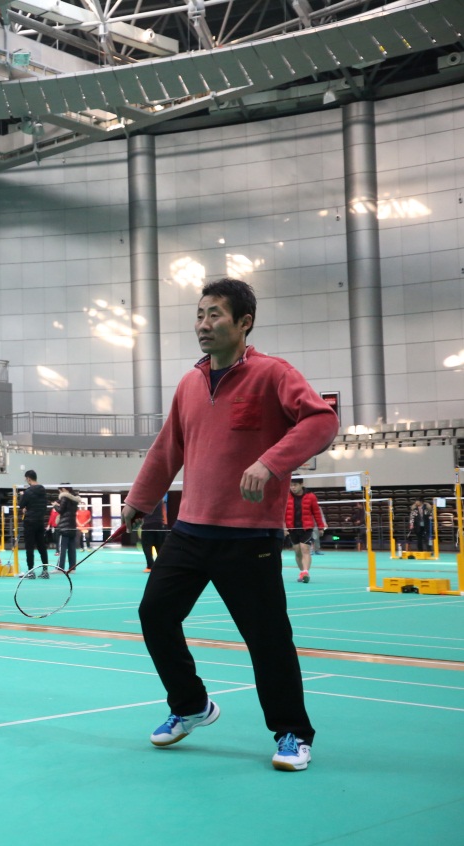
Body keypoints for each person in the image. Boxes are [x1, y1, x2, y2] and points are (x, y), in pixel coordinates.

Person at [121, 277, 337, 773]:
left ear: (244, 323)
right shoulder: (189, 384)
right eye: (199, 315)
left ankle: (292, 733)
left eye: (214, 314)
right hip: (191, 532)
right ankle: (191, 704)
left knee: (267, 639)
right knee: (155, 614)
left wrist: (271, 462)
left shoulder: (273, 374)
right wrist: (138, 501)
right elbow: (167, 449)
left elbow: (322, 421)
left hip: (249, 536)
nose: (203, 324)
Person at [285, 476, 325, 584]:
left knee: (305, 549)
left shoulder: (311, 496)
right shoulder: (286, 496)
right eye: (291, 485)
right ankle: (302, 572)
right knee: (297, 551)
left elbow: (316, 512)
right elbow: (282, 512)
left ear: (301, 484)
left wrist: (320, 527)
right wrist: (283, 526)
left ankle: (306, 572)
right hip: (292, 528)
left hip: (306, 527)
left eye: (295, 485)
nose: (292, 487)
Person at [17, 470, 50, 576]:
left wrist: (22, 496)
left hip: (30, 521)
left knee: (29, 547)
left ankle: (31, 571)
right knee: (42, 546)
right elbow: (44, 505)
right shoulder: (43, 490)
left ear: (28, 478)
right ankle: (45, 571)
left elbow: (21, 505)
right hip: (40, 521)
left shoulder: (28, 491)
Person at [54, 485, 82, 573]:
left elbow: (61, 510)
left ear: (63, 489)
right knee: (72, 549)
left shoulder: (64, 498)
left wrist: (55, 506)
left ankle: (60, 568)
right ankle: (72, 568)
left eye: (60, 491)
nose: (60, 493)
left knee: (62, 549)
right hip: (72, 527)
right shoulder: (74, 500)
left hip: (64, 527)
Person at [139, 498, 168, 573]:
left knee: (147, 547)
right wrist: (165, 524)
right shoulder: (160, 498)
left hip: (147, 525)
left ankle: (150, 566)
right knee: (160, 547)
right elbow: (164, 511)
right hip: (159, 524)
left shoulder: (143, 498)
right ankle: (161, 566)